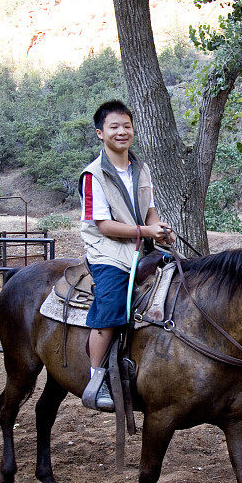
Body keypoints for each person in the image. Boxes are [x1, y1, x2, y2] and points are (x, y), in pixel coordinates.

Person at [79, 100, 174, 411]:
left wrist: (159, 229)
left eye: (126, 126)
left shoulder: (141, 168)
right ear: (100, 133)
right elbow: (104, 226)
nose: (122, 132)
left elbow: (150, 212)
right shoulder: (94, 175)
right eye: (114, 127)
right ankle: (97, 380)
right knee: (112, 302)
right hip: (108, 251)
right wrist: (147, 233)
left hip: (139, 245)